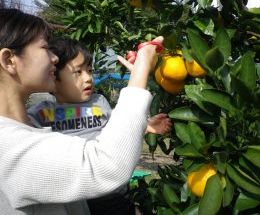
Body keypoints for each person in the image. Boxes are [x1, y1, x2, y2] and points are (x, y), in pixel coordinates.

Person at [0, 8, 164, 214]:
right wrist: (142, 67)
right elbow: (105, 166)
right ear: (9, 60)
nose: (54, 58)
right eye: (44, 48)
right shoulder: (7, 143)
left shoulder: (26, 128)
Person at [27, 38, 172, 215]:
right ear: (53, 78)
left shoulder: (99, 102)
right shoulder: (41, 114)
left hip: (115, 194)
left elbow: (118, 130)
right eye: (77, 72)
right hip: (77, 197)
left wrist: (146, 125)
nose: (88, 78)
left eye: (89, 70)